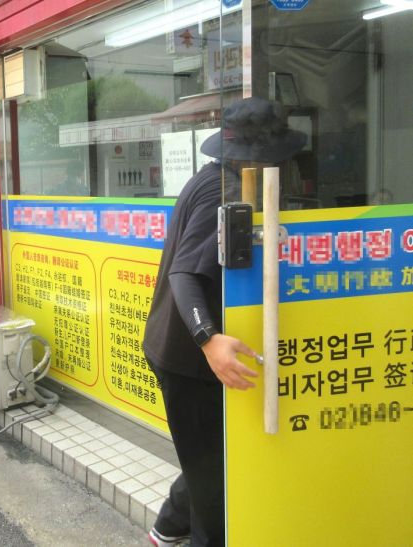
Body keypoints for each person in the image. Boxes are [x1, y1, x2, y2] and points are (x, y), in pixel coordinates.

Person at [143, 97, 307, 547]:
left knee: (209, 457)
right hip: (188, 357)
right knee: (217, 491)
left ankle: (166, 530)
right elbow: (184, 273)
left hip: (181, 346)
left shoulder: (216, 177)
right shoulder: (227, 191)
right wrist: (208, 338)